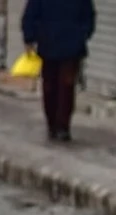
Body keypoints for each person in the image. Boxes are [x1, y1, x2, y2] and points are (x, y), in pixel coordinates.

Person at [21, 0, 95, 142]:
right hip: (49, 44)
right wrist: (29, 37)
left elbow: (88, 15)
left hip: (71, 46)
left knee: (65, 87)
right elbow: (31, 14)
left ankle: (62, 127)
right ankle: (53, 125)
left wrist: (83, 34)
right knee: (51, 87)